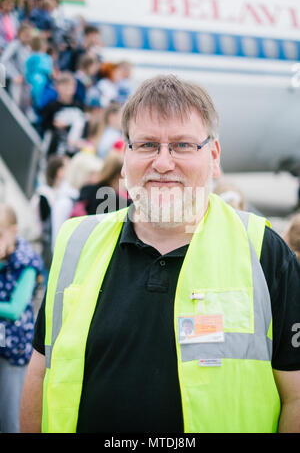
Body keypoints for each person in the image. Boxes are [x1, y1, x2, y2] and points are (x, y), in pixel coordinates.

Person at [20, 75, 300, 434]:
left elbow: (294, 395)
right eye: (148, 145)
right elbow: (41, 372)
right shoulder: (76, 245)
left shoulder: (263, 251)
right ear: (125, 158)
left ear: (213, 156)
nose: (163, 163)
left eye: (182, 145)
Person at [0, 203, 43, 432]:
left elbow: (16, 308)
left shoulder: (26, 264)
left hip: (14, 350)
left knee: (9, 415)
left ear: (14, 232)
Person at [50, 151, 103, 249]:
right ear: (83, 174)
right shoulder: (65, 202)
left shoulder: (84, 197)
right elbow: (58, 242)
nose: (97, 178)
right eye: (93, 174)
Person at [0, 21, 32, 110]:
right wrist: (14, 75)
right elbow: (3, 61)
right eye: (25, 34)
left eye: (29, 35)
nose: (27, 37)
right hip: (14, 81)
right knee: (14, 106)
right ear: (19, 34)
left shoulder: (27, 47)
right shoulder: (14, 44)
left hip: (24, 82)